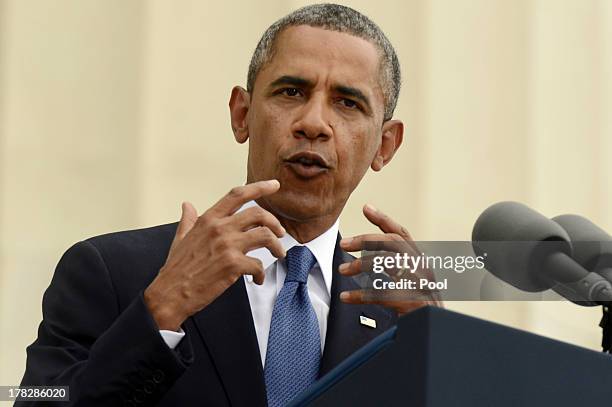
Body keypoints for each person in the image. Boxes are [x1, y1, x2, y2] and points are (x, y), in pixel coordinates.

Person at [19, 4, 438, 406]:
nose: (313, 123)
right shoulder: (111, 272)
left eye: (347, 102)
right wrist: (163, 310)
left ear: (385, 145)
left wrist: (443, 348)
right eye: (291, 91)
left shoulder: (397, 315)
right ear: (242, 114)